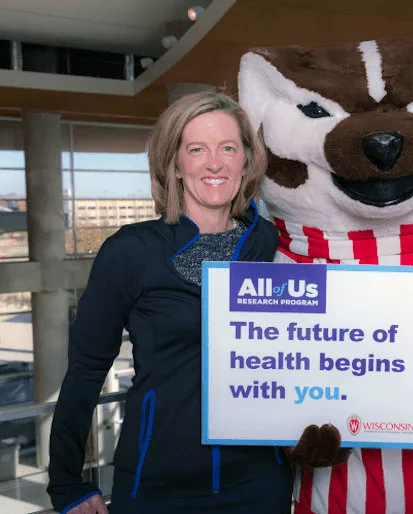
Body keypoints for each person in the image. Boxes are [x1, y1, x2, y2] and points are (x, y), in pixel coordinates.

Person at [47, 91, 291, 514]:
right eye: (197, 149)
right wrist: (67, 482)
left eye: (228, 148)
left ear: (246, 162)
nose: (214, 163)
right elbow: (86, 370)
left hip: (260, 482)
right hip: (156, 487)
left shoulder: (270, 244)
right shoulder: (130, 251)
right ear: (175, 164)